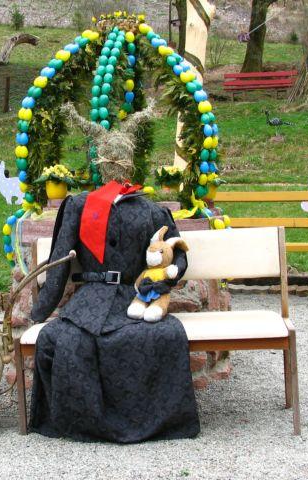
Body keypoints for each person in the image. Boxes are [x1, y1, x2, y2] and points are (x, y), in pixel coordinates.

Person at [29, 180, 200, 443]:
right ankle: (87, 420)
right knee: (66, 339)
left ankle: (152, 420)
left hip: (136, 296)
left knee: (162, 336)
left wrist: (165, 278)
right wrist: (41, 310)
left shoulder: (153, 212)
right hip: (91, 297)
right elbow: (60, 257)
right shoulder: (80, 206)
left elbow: (179, 253)